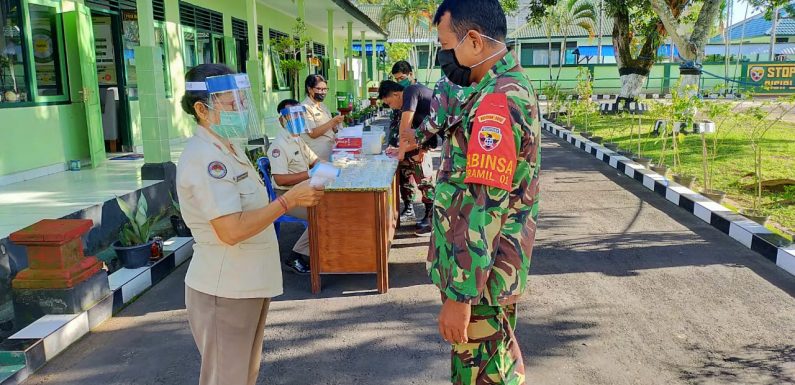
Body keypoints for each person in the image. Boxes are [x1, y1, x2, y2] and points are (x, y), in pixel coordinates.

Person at [176, 64, 324, 385]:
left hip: (246, 284)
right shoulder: (206, 158)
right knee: (226, 378)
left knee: (244, 375)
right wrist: (288, 200)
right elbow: (231, 230)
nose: (242, 109)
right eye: (233, 103)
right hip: (225, 289)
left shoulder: (228, 148)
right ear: (202, 109)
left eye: (243, 100)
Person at [422, 1, 542, 384]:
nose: (444, 56)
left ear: (474, 41)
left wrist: (461, 295)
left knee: (481, 375)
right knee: (496, 365)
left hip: (479, 283)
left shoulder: (497, 101)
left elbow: (485, 205)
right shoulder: (497, 88)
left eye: (447, 45)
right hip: (484, 277)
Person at [268, 98, 320, 275]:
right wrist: (309, 174)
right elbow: (280, 179)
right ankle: (296, 256)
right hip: (287, 196)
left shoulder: (298, 139)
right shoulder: (278, 146)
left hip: (304, 190)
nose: (297, 119)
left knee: (334, 206)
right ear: (282, 119)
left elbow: (315, 160)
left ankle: (324, 249)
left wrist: (334, 166)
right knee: (322, 214)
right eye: (292, 115)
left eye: (300, 114)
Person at [379, 79, 436, 236]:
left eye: (389, 103)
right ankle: (417, 212)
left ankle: (431, 218)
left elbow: (405, 128)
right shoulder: (409, 97)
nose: (391, 107)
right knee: (408, 175)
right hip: (422, 139)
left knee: (424, 180)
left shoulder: (410, 92)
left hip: (430, 141)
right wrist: (399, 150)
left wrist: (400, 154)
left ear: (396, 94)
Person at [301, 74, 345, 161]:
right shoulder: (304, 108)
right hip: (316, 157)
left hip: (330, 153)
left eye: (325, 89)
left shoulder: (323, 106)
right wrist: (332, 122)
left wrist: (336, 126)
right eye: (319, 89)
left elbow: (330, 128)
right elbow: (312, 133)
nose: (323, 92)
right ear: (309, 89)